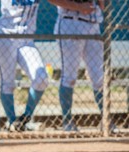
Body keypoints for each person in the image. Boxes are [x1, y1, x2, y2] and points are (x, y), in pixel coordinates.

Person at [48, 0, 113, 132]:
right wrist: (78, 6)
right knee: (70, 76)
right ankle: (67, 122)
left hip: (93, 24)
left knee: (99, 77)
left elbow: (104, 5)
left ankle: (106, 121)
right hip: (70, 22)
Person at [0, 0, 49, 131]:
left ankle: (24, 118)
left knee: (41, 79)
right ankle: (13, 123)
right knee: (7, 83)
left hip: (26, 40)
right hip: (4, 37)